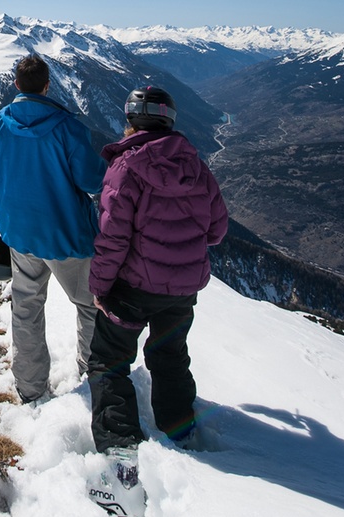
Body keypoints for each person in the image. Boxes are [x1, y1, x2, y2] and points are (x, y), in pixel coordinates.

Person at [87, 86, 229, 453]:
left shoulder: (125, 168)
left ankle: (120, 447)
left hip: (132, 288)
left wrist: (100, 286)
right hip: (182, 290)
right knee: (170, 356)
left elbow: (113, 237)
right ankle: (181, 431)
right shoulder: (196, 166)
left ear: (131, 119)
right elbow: (216, 230)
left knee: (109, 359)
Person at [0, 54, 107, 404]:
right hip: (67, 237)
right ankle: (93, 377)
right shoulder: (67, 127)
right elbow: (92, 180)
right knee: (90, 306)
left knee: (26, 308)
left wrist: (0, 210)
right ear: (48, 85)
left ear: (16, 85)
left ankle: (31, 388)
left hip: (20, 235)